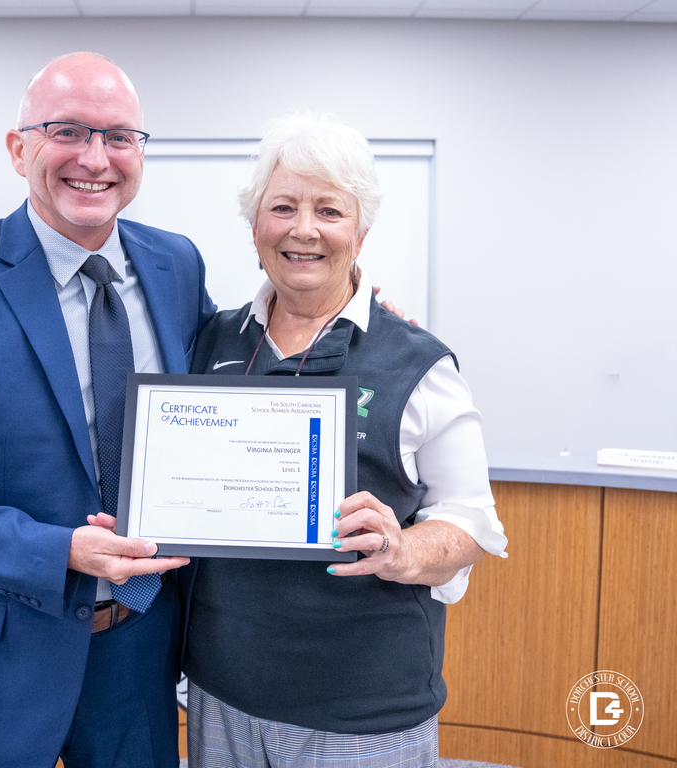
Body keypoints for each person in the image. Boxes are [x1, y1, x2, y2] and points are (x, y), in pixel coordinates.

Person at [0, 52, 216, 768]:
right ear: (19, 149)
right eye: (68, 131)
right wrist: (59, 552)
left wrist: (347, 317)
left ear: (140, 153)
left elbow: (226, 391)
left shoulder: (177, 264)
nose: (96, 158)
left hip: (139, 657)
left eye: (119, 136)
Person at [179, 112, 508, 768]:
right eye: (282, 207)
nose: (303, 229)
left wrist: (402, 549)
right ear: (254, 225)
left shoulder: (419, 364)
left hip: (364, 714)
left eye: (329, 210)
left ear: (360, 231)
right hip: (221, 697)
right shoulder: (209, 341)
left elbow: (471, 523)